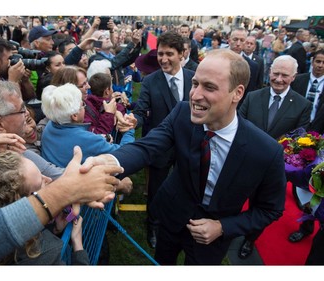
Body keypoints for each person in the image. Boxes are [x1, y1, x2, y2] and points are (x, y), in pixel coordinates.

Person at [80, 48, 286, 265]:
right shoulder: (181, 114)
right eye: (195, 83)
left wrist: (223, 227)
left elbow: (270, 209)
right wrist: (107, 162)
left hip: (213, 239)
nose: (195, 95)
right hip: (170, 217)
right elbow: (145, 148)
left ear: (237, 93)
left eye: (209, 87)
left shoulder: (266, 151)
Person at [0, 144, 122, 265]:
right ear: (19, 205)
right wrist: (78, 246)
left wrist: (54, 229)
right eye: (40, 184)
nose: (49, 180)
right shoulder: (44, 254)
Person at [238, 55, 312, 259]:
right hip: (245, 162)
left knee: (259, 207)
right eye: (275, 73)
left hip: (274, 170)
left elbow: (298, 139)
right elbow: (239, 125)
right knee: (234, 199)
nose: (279, 79)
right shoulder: (253, 96)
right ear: (269, 71)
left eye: (284, 75)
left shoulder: (302, 105)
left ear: (294, 77)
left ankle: (249, 239)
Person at [132, 30, 195, 249]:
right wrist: (132, 121)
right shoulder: (150, 81)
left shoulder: (193, 77)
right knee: (157, 192)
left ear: (182, 54)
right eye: (160, 54)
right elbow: (141, 111)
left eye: (169, 54)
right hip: (161, 148)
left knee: (187, 187)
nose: (164, 59)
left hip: (190, 146)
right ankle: (153, 226)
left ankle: (181, 223)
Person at [40, 83, 135, 168]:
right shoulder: (88, 140)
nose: (85, 107)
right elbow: (126, 153)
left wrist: (99, 138)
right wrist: (129, 128)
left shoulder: (50, 126)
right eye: (83, 105)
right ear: (74, 115)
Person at [287, 49, 324, 243]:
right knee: (296, 182)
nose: (320, 65)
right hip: (295, 136)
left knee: (315, 186)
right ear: (312, 61)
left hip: (319, 141)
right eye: (318, 61)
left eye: (323, 62)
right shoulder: (298, 80)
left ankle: (307, 225)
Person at [228, 27, 259, 107]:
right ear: (229, 40)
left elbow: (248, 94)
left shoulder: (252, 66)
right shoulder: (217, 60)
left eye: (242, 40)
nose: (238, 43)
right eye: (235, 39)